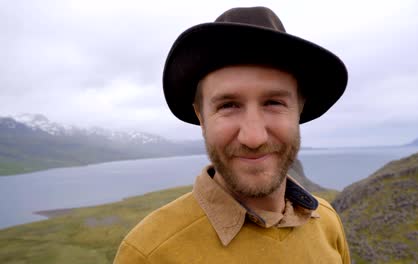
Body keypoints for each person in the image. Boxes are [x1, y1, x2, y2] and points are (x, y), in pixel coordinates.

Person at [114, 6, 350, 264]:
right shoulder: (148, 253)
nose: (254, 137)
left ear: (299, 109)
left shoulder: (327, 222)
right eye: (228, 106)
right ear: (201, 117)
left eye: (273, 102)